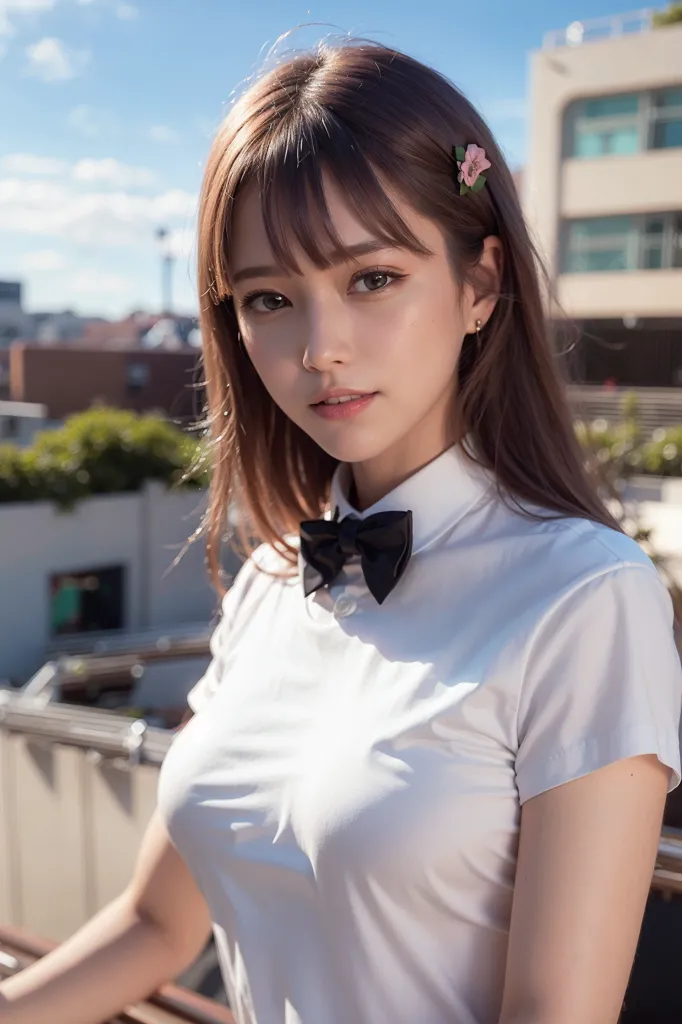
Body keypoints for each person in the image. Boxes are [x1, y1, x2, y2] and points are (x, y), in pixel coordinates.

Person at [1, 39, 681, 1024]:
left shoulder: (583, 595)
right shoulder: (277, 577)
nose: (320, 347)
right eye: (270, 299)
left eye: (371, 279)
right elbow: (155, 925)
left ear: (480, 282)